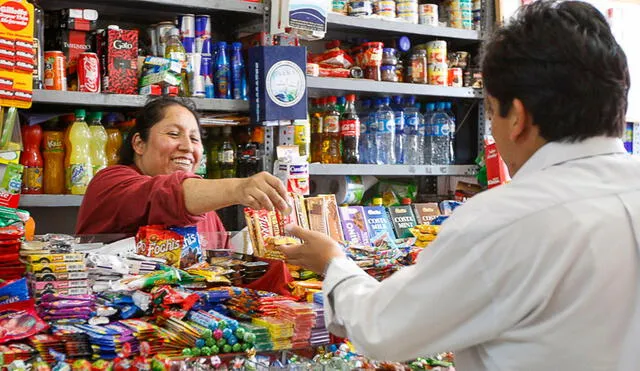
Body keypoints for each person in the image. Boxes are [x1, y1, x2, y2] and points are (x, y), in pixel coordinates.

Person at [278, 1, 640, 370]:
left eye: (490, 111)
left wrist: (334, 264)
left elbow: (383, 330)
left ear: (517, 117)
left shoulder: (507, 219)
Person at [76, 97, 289, 249]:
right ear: (139, 143)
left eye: (195, 139)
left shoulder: (205, 209)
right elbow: (164, 194)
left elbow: (226, 271)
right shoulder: (110, 183)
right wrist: (239, 187)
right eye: (173, 134)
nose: (188, 147)